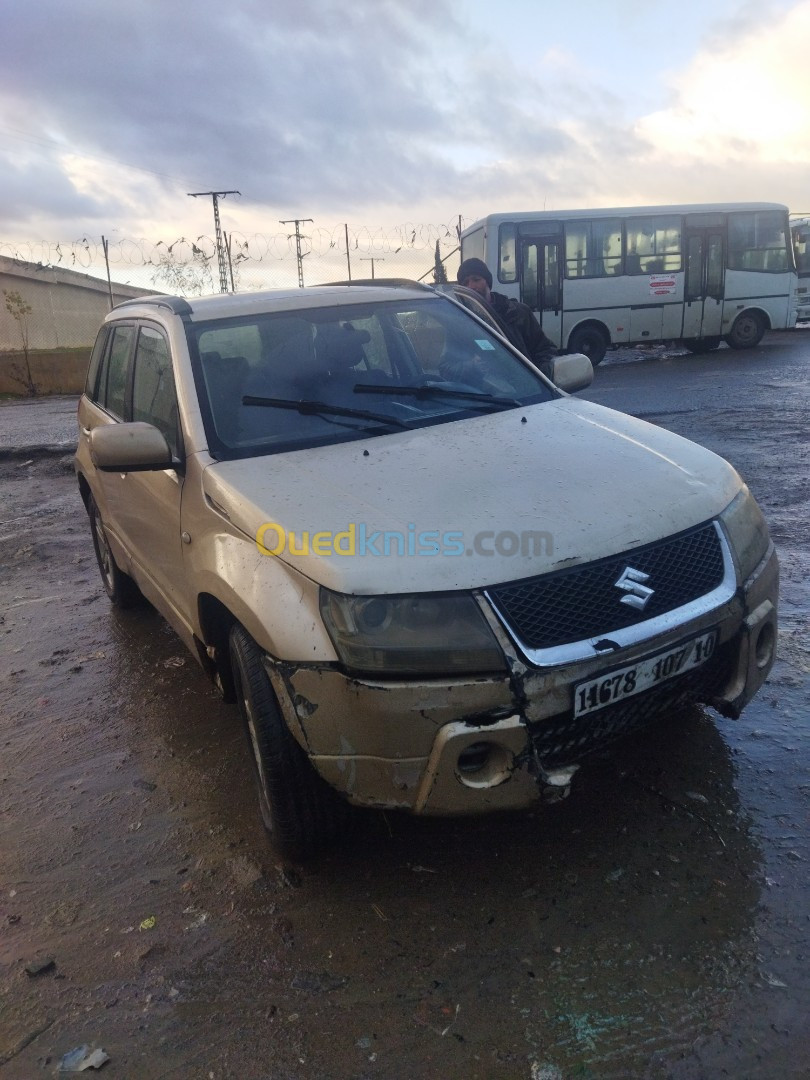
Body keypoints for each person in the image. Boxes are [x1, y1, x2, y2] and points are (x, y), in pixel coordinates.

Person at [456, 257, 557, 378]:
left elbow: (546, 350)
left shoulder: (518, 313)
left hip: (525, 392)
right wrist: (471, 365)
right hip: (482, 394)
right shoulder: (459, 321)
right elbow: (446, 367)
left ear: (488, 282)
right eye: (465, 283)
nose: (471, 286)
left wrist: (538, 379)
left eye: (476, 279)